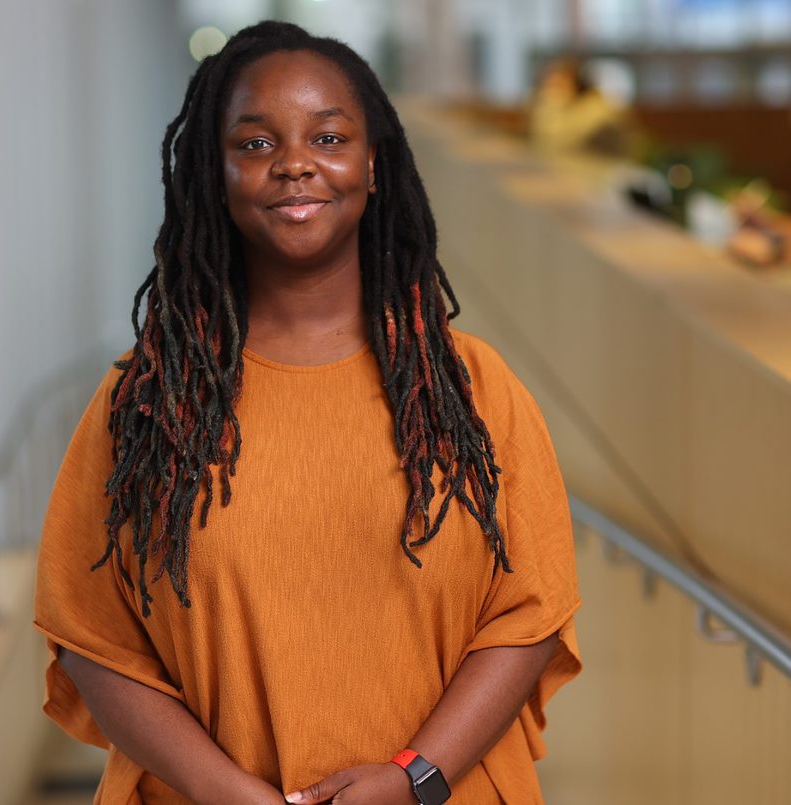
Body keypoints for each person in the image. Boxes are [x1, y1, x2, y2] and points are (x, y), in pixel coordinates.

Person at [35, 21, 580, 804]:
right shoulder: (148, 400)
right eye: (255, 145)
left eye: (327, 136)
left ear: (372, 165)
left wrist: (414, 776)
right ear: (212, 174)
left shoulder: (468, 388)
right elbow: (93, 639)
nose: (294, 164)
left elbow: (527, 614)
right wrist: (220, 791)